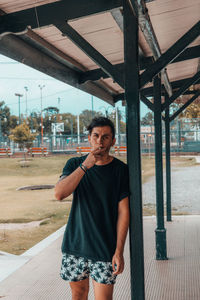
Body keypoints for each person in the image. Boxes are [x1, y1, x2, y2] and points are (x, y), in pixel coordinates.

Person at [55, 117, 130, 300]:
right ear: (89, 138)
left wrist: (119, 251)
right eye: (96, 135)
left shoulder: (120, 170)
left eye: (105, 137)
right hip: (75, 246)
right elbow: (59, 193)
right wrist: (85, 166)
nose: (100, 141)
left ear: (113, 141)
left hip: (104, 248)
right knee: (79, 295)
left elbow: (124, 212)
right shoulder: (74, 164)